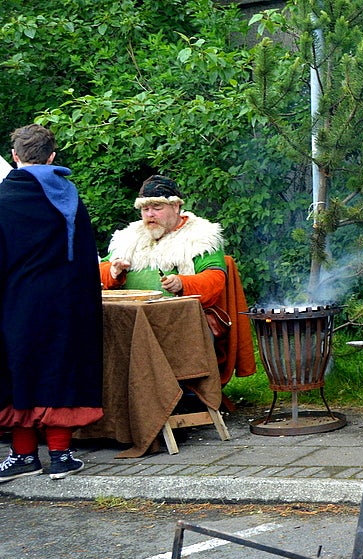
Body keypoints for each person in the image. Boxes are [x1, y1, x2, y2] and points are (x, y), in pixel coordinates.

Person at [0, 124, 103, 481]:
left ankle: (23, 456)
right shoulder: (71, 199)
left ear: (15, 157)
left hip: (16, 303)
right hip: (65, 304)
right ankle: (60, 455)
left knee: (17, 372)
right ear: (52, 157)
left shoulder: (3, 199)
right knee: (60, 370)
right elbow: (87, 259)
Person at [100, 174, 253, 385]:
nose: (150, 215)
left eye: (157, 207)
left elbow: (215, 279)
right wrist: (114, 272)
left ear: (176, 207)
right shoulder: (130, 237)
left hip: (180, 322)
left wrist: (183, 283)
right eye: (145, 209)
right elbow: (100, 271)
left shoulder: (201, 237)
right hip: (132, 321)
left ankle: (170, 396)